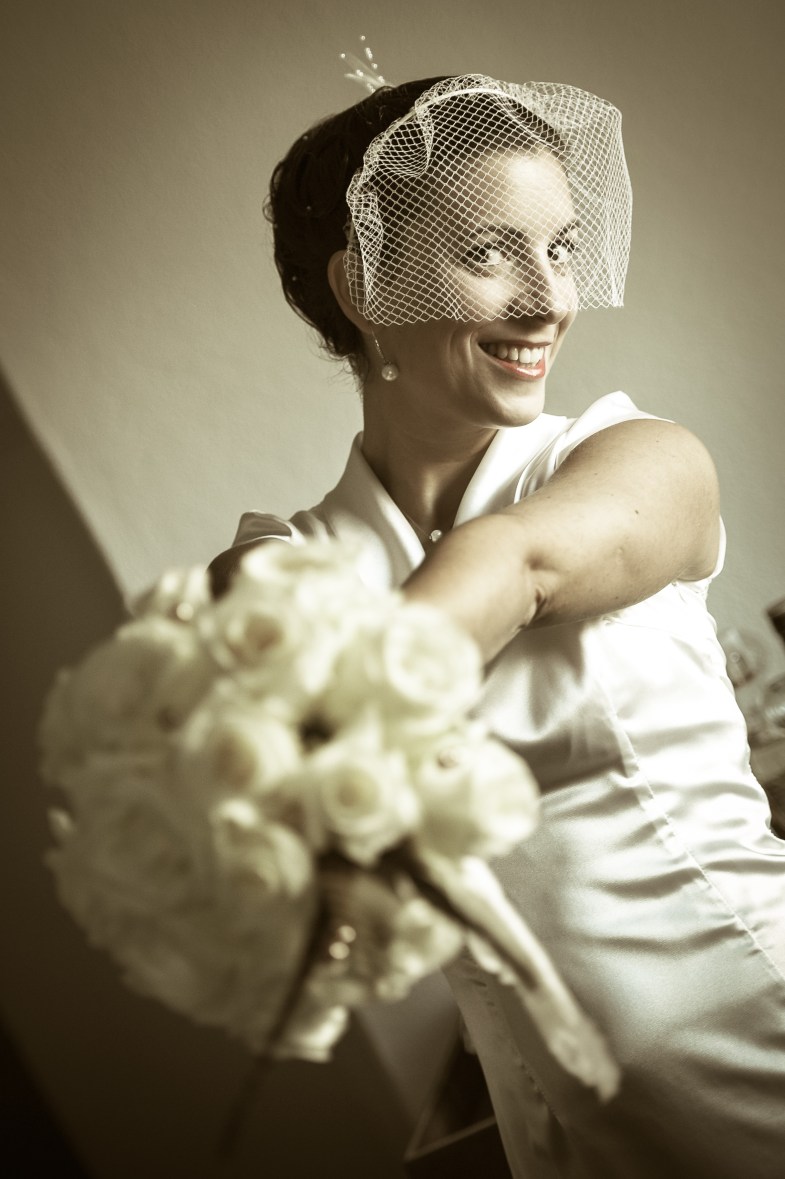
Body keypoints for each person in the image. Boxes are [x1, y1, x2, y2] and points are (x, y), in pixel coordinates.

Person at [209, 76, 785, 1178]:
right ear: (363, 284)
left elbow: (511, 565)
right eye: (489, 253)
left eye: (560, 248)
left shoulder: (644, 461)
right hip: (564, 1139)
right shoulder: (277, 561)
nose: (548, 298)